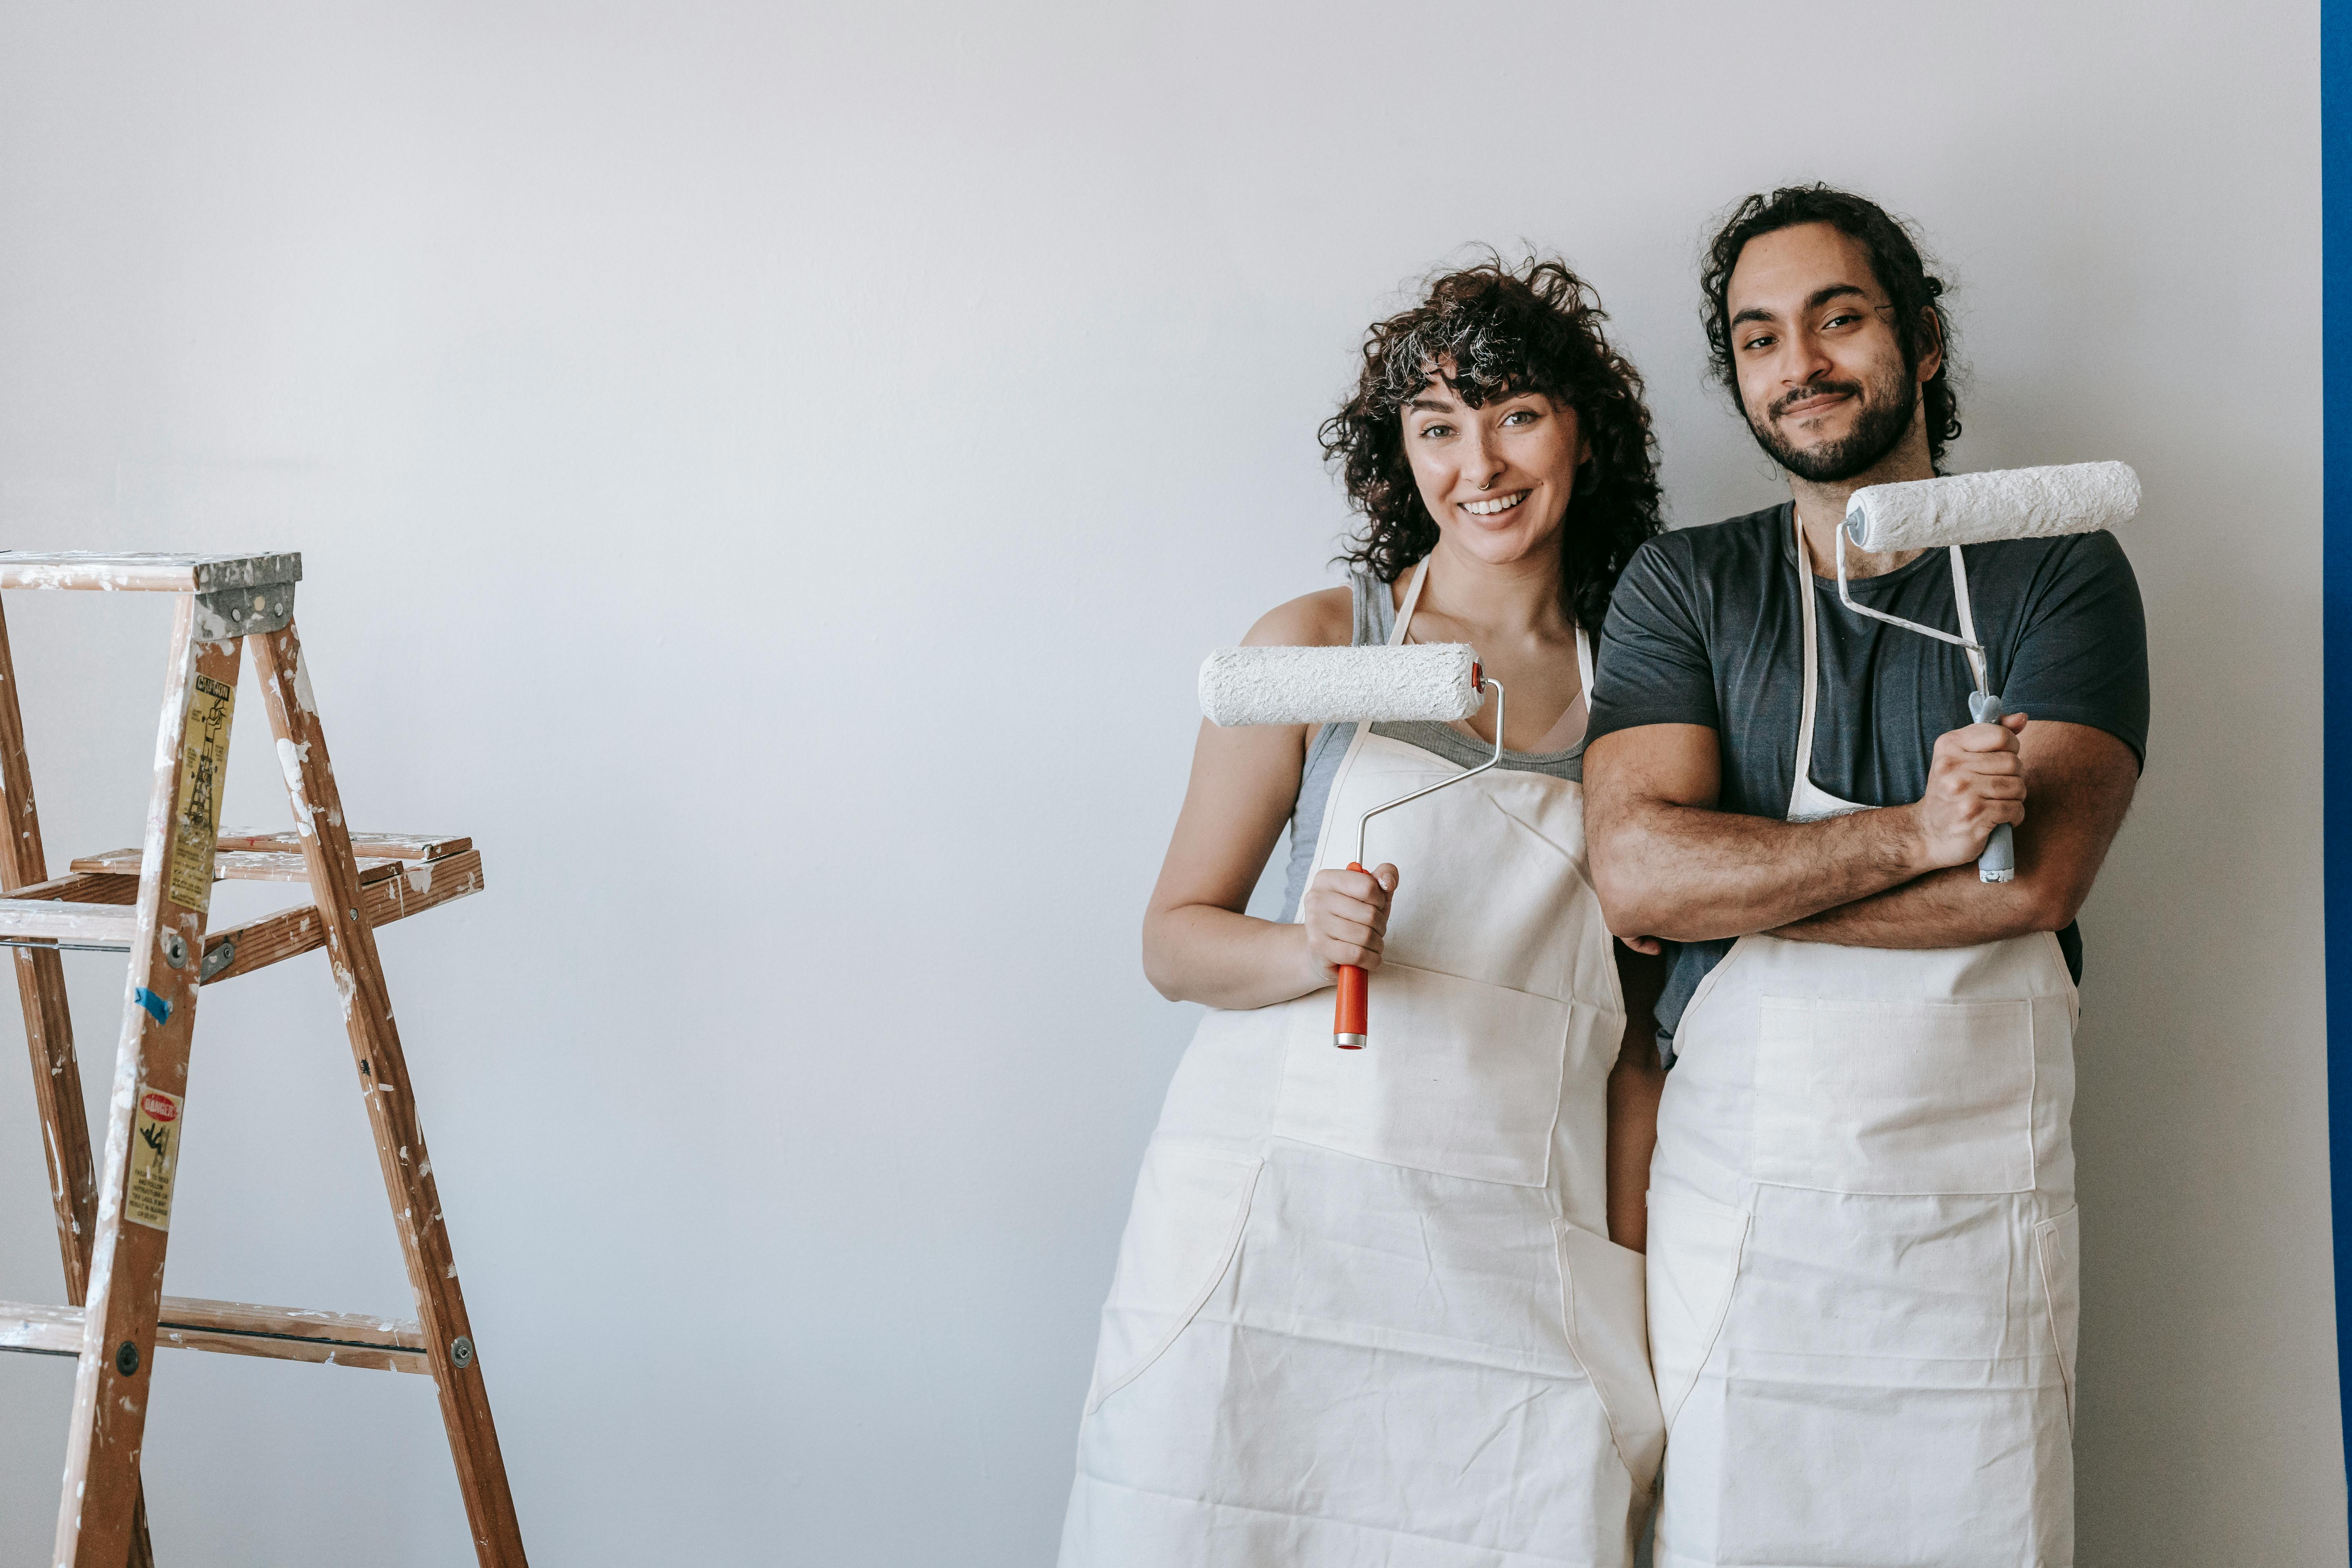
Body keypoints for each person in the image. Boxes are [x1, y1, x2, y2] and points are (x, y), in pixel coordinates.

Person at [1059, 256, 1672, 1566]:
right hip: (1278, 1244)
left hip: (1516, 1255)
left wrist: (1631, 1291)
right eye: (1437, 426)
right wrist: (1303, 946)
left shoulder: (1646, 682)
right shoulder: (1315, 645)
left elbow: (1635, 1044)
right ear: (1401, 457)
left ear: (1583, 430)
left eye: (1514, 414)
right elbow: (1173, 937)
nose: (1480, 464)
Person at [1583, 186, 2148, 1566]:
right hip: (1745, 1205)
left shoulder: (2059, 567)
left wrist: (1760, 885)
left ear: (1924, 338)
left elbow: (2033, 887)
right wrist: (1915, 834)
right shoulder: (1687, 585)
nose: (1804, 363)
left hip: (1975, 1224)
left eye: (1839, 317)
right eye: (1761, 338)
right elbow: (1640, 878)